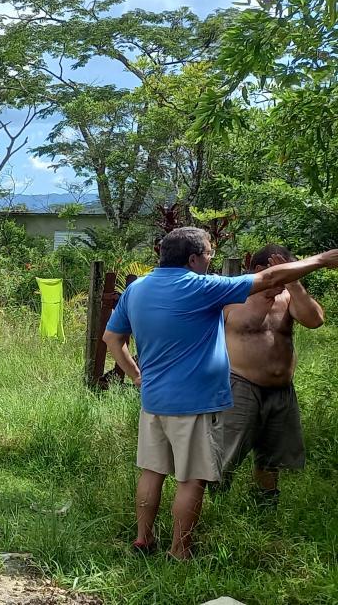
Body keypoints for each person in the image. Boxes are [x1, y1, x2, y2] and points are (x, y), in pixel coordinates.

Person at [101, 228, 338, 560]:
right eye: (210, 254)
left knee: (152, 472)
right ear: (194, 258)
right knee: (192, 480)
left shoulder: (137, 289)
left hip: (153, 402)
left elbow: (112, 340)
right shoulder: (200, 287)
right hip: (193, 403)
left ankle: (143, 540)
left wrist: (137, 377)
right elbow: (269, 276)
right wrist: (322, 260)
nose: (211, 260)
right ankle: (180, 551)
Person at [218, 245, 325, 503]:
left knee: (272, 456)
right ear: (260, 270)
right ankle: (214, 504)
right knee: (225, 452)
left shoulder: (289, 297)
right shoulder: (232, 296)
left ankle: (266, 502)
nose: (287, 279)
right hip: (240, 385)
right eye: (284, 273)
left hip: (281, 390)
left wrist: (294, 283)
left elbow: (315, 320)